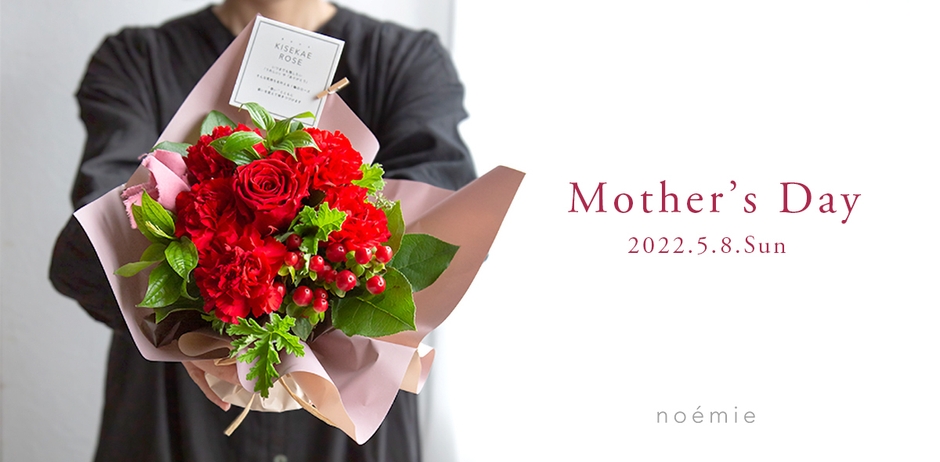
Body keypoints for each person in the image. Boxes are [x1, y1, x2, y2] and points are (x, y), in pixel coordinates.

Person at [49, 1, 476, 460]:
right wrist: (192, 332)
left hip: (347, 428)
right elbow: (94, 241)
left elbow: (447, 226)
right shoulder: (140, 59)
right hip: (173, 417)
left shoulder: (404, 61)